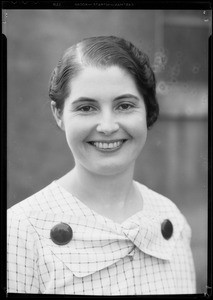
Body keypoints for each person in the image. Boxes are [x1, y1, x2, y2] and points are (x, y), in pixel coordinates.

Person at [7, 36, 196, 295]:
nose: (107, 126)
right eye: (86, 108)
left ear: (146, 109)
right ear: (58, 113)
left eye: (125, 105)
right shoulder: (20, 229)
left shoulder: (171, 219)